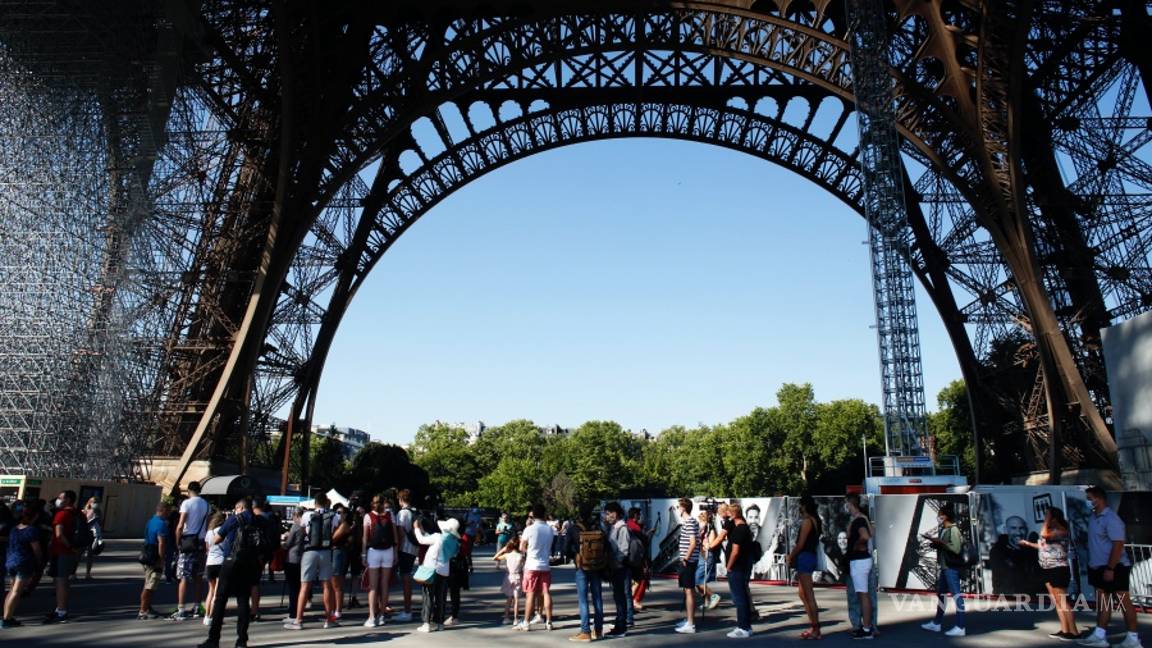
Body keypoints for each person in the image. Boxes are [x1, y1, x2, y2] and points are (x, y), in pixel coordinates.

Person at [1078, 486, 1141, 648]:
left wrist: (1110, 569)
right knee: (1103, 601)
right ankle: (1100, 636)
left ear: (1098, 498)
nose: (1087, 501)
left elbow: (1118, 544)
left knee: (1124, 601)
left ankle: (1133, 640)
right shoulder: (1094, 517)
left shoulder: (1111, 519)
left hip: (1115, 567)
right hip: (1098, 567)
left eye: (1089, 498)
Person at [197, 497, 263, 648]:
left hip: (231, 562)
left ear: (239, 507)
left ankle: (213, 639)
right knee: (243, 601)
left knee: (220, 600)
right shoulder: (258, 521)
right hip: (249, 564)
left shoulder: (234, 519)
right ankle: (241, 640)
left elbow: (217, 539)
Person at [1018, 506, 1079, 640]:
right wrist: (1028, 544)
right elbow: (1043, 546)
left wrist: (1046, 521)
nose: (1045, 518)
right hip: (1047, 568)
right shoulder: (1051, 531)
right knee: (1056, 601)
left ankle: (1074, 632)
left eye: (1047, 515)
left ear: (1054, 518)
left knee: (1063, 601)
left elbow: (1044, 535)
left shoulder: (1061, 530)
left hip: (1058, 568)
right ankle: (1065, 629)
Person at [284, 493, 339, 630]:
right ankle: (329, 620)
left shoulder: (307, 515)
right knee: (327, 586)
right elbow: (336, 530)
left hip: (310, 552)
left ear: (314, 503)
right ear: (327, 502)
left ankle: (298, 620)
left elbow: (303, 531)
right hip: (326, 552)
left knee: (305, 586)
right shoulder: (334, 516)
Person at [921, 504, 966, 637]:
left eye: (940, 514)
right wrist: (935, 543)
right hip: (945, 567)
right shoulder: (944, 529)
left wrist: (941, 543)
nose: (938, 517)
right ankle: (936, 623)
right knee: (941, 595)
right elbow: (946, 547)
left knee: (957, 596)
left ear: (945, 516)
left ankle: (960, 626)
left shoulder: (953, 530)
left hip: (951, 568)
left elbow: (956, 549)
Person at [172, 481, 210, 621]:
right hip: (200, 541)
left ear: (189, 491)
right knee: (198, 576)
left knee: (183, 576)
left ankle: (181, 608)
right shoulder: (206, 505)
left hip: (188, 542)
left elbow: (181, 525)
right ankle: (196, 606)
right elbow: (207, 524)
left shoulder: (186, 503)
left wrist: (177, 542)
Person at [43, 489, 82, 624]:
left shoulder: (61, 514)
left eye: (61, 498)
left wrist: (68, 546)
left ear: (68, 500)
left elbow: (59, 534)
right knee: (64, 581)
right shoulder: (77, 513)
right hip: (71, 552)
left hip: (62, 551)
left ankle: (61, 611)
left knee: (60, 582)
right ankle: (60, 608)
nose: (58, 500)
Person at [786, 496, 822, 640]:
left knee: (808, 594)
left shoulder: (808, 521)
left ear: (805, 507)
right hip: (808, 556)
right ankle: (813, 625)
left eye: (801, 506)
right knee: (803, 593)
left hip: (805, 557)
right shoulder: (815, 520)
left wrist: (791, 556)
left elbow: (800, 544)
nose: (799, 509)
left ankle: (816, 628)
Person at [362, 493, 400, 628]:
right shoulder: (390, 516)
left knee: (373, 586)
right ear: (384, 503)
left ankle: (372, 617)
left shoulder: (368, 516)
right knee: (384, 584)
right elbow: (395, 536)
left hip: (373, 552)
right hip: (388, 551)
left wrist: (363, 554)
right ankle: (382, 615)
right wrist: (395, 553)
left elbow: (365, 538)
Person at [517, 503, 555, 632]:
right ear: (544, 514)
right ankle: (549, 621)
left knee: (530, 594)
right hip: (545, 564)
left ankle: (526, 622)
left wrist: (529, 549)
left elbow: (521, 547)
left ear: (533, 515)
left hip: (532, 564)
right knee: (546, 593)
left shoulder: (529, 529)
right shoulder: (550, 529)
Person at [570, 509, 606, 642]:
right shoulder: (597, 528)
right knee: (597, 598)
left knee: (583, 599)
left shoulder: (574, 529)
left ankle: (585, 631)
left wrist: (575, 555)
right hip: (596, 566)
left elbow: (566, 549)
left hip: (581, 567)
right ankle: (599, 630)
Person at [4, 504, 44, 627]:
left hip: (11, 561)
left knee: (11, 591)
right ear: (35, 516)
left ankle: (7, 616)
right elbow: (36, 549)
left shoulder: (14, 529)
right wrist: (40, 561)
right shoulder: (31, 530)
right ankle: (6, 619)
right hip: (24, 562)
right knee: (17, 591)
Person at [845, 493, 878, 639]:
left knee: (863, 595)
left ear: (850, 504)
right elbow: (871, 533)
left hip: (859, 560)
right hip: (863, 560)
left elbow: (865, 536)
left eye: (847, 504)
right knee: (864, 594)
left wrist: (857, 545)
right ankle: (868, 626)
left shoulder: (858, 521)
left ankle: (866, 628)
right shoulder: (860, 519)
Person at [414, 516, 454, 633]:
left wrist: (416, 528)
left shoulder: (437, 537)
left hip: (432, 570)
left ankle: (426, 623)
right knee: (441, 597)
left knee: (428, 597)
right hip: (444, 571)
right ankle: (440, 623)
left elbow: (421, 540)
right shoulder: (452, 541)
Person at [989, 513, 1041, 595]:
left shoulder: (1030, 551)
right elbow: (1014, 579)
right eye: (1013, 528)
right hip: (1009, 602)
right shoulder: (998, 551)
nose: (1018, 532)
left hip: (1032, 601)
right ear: (1006, 530)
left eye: (1021, 528)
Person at [725, 502, 755, 639]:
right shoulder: (741, 527)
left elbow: (735, 551)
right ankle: (743, 625)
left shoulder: (740, 530)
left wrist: (729, 566)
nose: (728, 516)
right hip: (740, 567)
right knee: (741, 596)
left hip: (737, 567)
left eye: (729, 513)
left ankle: (744, 627)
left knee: (739, 598)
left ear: (734, 514)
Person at [673, 498, 701, 634]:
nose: (677, 509)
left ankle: (690, 624)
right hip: (690, 560)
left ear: (683, 508)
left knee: (689, 590)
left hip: (688, 561)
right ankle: (689, 619)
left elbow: (693, 542)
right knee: (687, 590)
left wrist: (686, 558)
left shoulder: (690, 522)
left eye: (678, 507)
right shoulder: (691, 522)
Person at [138, 503, 170, 620]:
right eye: (168, 511)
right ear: (163, 510)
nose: (168, 514)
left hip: (146, 553)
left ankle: (147, 607)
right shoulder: (161, 524)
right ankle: (143, 610)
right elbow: (161, 542)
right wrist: (161, 559)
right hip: (154, 556)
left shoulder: (151, 521)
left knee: (148, 582)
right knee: (150, 585)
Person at [604, 501, 631, 638]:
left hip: (620, 568)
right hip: (616, 568)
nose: (607, 516)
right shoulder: (614, 527)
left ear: (615, 513)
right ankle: (619, 623)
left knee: (621, 597)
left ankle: (621, 626)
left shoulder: (622, 528)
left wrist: (616, 563)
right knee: (618, 597)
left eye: (608, 514)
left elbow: (623, 550)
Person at [394, 489, 418, 622]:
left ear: (401, 499)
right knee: (407, 577)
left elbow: (401, 534)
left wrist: (396, 551)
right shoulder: (414, 512)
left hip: (405, 549)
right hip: (414, 548)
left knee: (405, 579)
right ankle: (407, 609)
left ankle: (407, 610)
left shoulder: (402, 513)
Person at [201, 511, 227, 626]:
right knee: (217, 592)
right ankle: (212, 616)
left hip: (210, 562)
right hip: (220, 562)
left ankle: (206, 616)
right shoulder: (223, 532)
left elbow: (207, 548)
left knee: (210, 591)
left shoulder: (209, 532)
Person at [329, 503, 352, 622]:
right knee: (334, 583)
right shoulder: (337, 524)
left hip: (339, 553)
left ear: (345, 514)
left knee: (337, 583)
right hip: (337, 553)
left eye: (340, 513)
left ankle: (338, 610)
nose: (337, 515)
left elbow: (332, 538)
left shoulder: (344, 525)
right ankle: (334, 609)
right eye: (336, 513)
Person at [446, 521, 472, 625]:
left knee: (449, 591)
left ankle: (452, 615)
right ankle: (454, 615)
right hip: (461, 566)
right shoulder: (466, 537)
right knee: (455, 592)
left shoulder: (452, 537)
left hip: (452, 565)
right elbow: (467, 552)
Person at [494, 536, 524, 626]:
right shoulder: (520, 556)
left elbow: (495, 558)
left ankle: (506, 617)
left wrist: (503, 550)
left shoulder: (507, 555)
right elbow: (525, 565)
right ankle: (516, 618)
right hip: (518, 576)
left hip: (509, 576)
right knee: (516, 599)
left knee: (509, 598)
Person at [696, 508, 722, 611]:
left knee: (698, 581)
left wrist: (706, 544)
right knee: (698, 582)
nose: (700, 523)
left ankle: (713, 596)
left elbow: (710, 545)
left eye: (702, 520)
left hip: (707, 556)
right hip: (700, 556)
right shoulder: (701, 530)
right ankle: (707, 600)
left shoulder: (710, 530)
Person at [627, 507, 652, 614]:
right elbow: (644, 541)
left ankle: (632, 601)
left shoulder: (628, 524)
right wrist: (648, 534)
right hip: (637, 558)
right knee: (640, 579)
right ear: (635, 515)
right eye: (638, 514)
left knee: (635, 580)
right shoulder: (634, 526)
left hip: (631, 558)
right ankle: (633, 601)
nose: (640, 516)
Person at [282, 509, 305, 620]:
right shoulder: (306, 526)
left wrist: (284, 543)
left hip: (292, 558)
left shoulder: (295, 526)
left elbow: (289, 543)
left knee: (292, 588)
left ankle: (293, 613)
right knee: (299, 586)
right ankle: (298, 611)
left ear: (296, 515)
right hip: (302, 558)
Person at [81, 497, 103, 580]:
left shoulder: (98, 512)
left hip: (93, 535)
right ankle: (73, 572)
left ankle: (87, 573)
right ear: (89, 502)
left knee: (90, 554)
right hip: (83, 533)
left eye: (97, 502)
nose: (96, 503)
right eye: (94, 502)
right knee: (78, 553)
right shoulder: (84, 511)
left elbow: (99, 522)